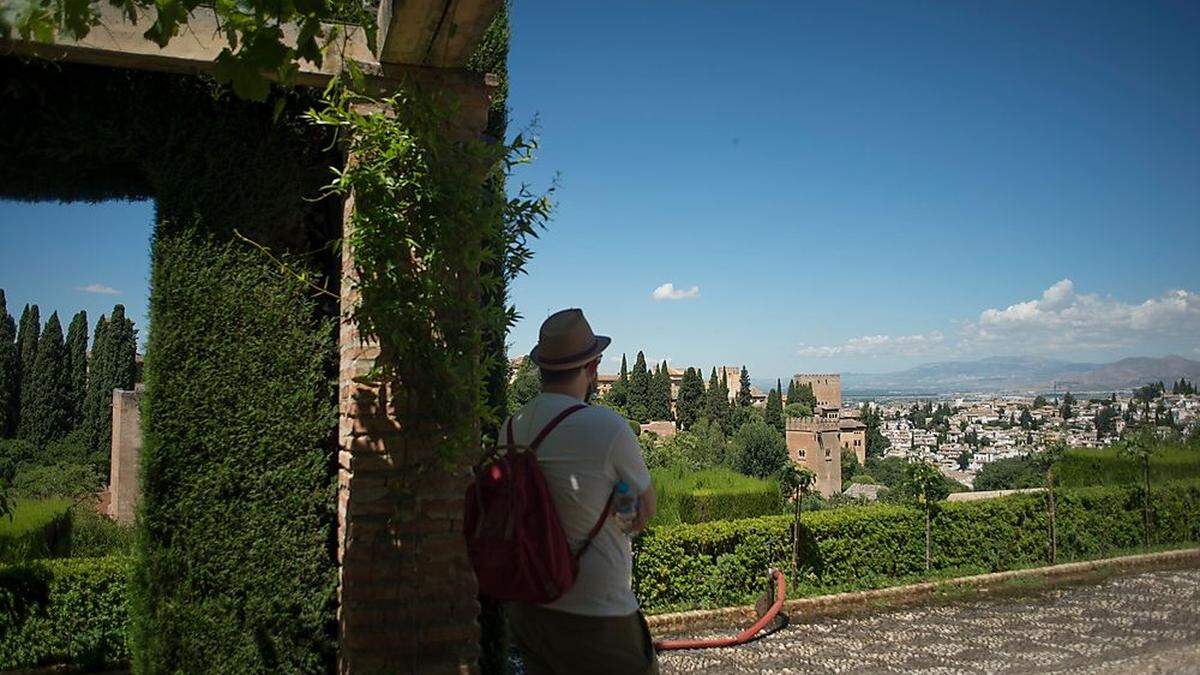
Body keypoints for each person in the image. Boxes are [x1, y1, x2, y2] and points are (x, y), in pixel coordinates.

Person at [504, 308, 659, 675]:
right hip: (597, 611)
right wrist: (618, 508)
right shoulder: (606, 427)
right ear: (592, 368)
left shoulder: (512, 427)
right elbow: (644, 510)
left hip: (529, 608)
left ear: (541, 367)